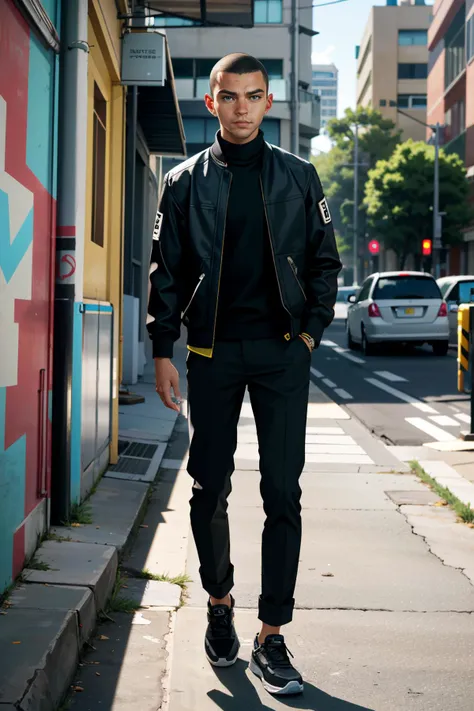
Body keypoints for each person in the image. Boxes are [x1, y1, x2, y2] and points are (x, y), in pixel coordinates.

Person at [147, 53, 341, 696]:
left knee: (283, 492)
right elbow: (165, 272)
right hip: (211, 355)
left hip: (283, 351)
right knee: (210, 487)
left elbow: (324, 264)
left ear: (267, 102)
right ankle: (221, 603)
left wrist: (309, 336)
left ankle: (272, 635)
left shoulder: (300, 176)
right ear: (212, 103)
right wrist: (162, 349)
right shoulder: (183, 182)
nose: (241, 108)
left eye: (253, 96)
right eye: (229, 97)